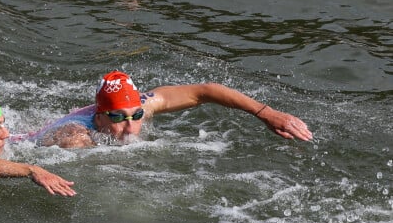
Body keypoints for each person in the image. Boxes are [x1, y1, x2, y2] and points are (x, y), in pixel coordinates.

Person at [20, 71, 313, 148]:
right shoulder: (76, 138)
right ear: (99, 116)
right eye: (119, 119)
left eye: (135, 116)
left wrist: (267, 113)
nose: (131, 127)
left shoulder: (143, 106)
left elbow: (205, 91)